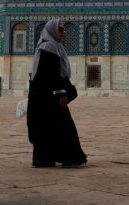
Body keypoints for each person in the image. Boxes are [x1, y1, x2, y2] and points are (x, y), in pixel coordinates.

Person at [27, 18, 87, 169]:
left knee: (47, 126)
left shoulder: (51, 46)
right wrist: (62, 93)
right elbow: (52, 75)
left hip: (44, 95)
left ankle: (43, 159)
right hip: (49, 95)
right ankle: (70, 157)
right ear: (52, 30)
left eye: (63, 29)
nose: (63, 32)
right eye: (60, 29)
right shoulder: (50, 47)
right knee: (63, 126)